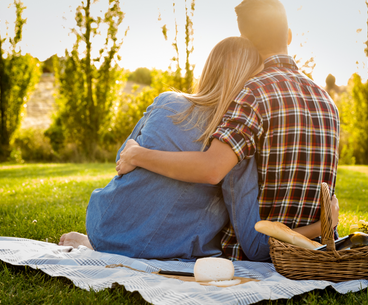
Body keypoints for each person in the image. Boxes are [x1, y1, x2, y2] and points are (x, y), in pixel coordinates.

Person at [116, 0, 341, 261]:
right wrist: (324, 226)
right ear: (289, 35)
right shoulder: (327, 100)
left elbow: (212, 169)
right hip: (317, 246)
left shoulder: (254, 92)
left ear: (246, 42)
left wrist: (136, 155)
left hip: (253, 248)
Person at [59, 36, 266, 259]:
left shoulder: (166, 102)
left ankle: (102, 245)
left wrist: (136, 152)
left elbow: (122, 161)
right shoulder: (233, 142)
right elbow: (252, 243)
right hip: (166, 249)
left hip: (105, 227)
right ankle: (119, 246)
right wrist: (307, 235)